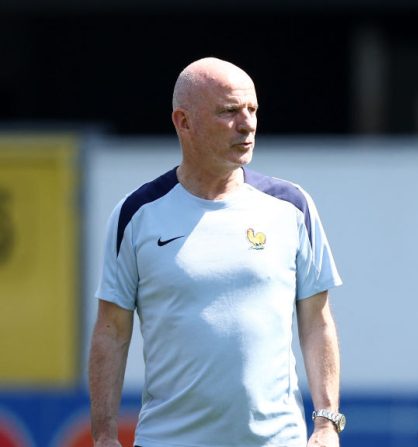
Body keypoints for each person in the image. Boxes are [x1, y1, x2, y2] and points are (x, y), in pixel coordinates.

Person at [88, 57, 345, 447]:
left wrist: (326, 423)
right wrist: (104, 436)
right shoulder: (136, 215)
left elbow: (317, 319)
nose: (247, 124)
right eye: (229, 111)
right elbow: (110, 330)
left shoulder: (291, 206)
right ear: (183, 122)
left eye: (252, 109)